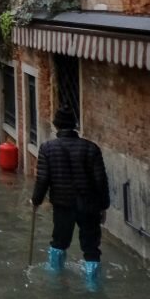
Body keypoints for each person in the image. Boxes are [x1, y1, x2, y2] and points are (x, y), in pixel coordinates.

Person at [32, 107, 111, 282]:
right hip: (89, 205)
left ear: (56, 125)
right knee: (91, 247)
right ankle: (93, 286)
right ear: (75, 125)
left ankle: (55, 280)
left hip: (63, 205)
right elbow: (101, 180)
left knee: (59, 242)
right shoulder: (91, 148)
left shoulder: (47, 148)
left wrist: (35, 200)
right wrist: (104, 206)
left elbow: (43, 179)